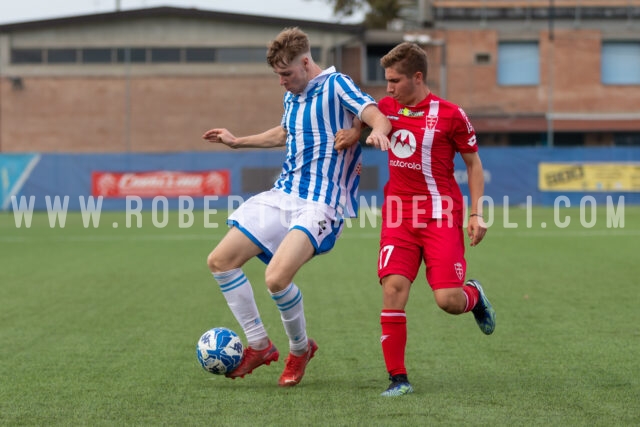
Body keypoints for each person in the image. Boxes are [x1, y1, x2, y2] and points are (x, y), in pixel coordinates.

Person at [201, 27, 391, 387]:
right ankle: (258, 345)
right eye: (278, 75)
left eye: (286, 74)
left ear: (306, 62)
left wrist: (372, 131)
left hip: (322, 203)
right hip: (284, 194)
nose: (282, 82)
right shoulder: (293, 96)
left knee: (276, 277)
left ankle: (300, 349)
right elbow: (285, 133)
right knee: (220, 261)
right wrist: (237, 141)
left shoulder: (336, 85)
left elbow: (374, 113)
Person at [336, 42, 496, 397]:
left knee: (448, 301)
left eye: (394, 80)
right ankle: (398, 378)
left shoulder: (452, 114)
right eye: (386, 80)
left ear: (418, 77)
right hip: (398, 217)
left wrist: (476, 212)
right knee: (393, 290)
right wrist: (355, 133)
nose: (388, 88)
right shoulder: (387, 108)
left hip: (441, 216)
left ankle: (474, 295)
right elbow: (367, 120)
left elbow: (474, 164)